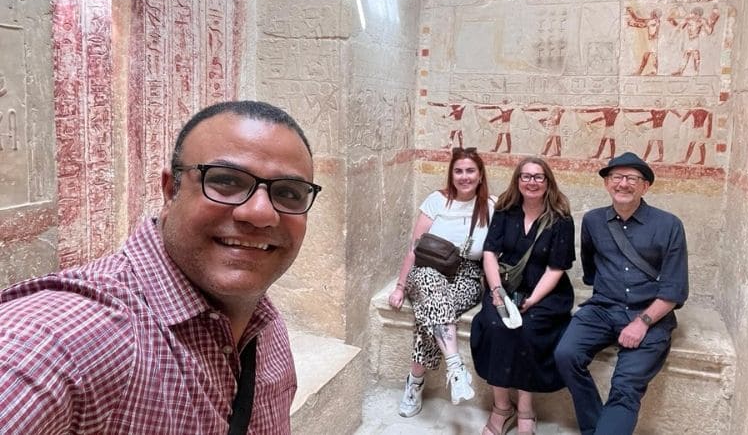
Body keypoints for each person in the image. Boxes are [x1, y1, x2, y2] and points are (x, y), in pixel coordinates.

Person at [0, 101, 322, 434]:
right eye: (226, 181)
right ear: (171, 191)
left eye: (288, 192)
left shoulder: (267, 327)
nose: (260, 213)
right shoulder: (82, 336)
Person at [554, 152, 689, 435]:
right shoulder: (592, 221)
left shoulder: (669, 225)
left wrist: (643, 322)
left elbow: (674, 288)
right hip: (603, 308)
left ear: (645, 186)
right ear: (607, 184)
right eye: (616, 177)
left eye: (632, 178)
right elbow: (591, 269)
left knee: (625, 385)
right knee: (566, 354)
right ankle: (596, 429)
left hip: (649, 314)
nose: (623, 184)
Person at [387, 147, 495, 417]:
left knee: (431, 311)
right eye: (458, 171)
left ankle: (415, 381)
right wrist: (400, 286)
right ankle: (455, 368)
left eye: (470, 171)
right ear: (451, 175)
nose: (464, 176)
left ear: (480, 175)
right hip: (427, 269)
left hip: (467, 275)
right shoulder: (436, 200)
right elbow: (415, 247)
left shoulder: (491, 206)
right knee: (430, 287)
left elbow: (495, 252)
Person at [471, 157, 575, 435]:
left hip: (545, 293)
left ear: (548, 182)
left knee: (527, 331)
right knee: (495, 326)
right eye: (526, 176)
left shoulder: (561, 219)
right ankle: (502, 408)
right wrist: (495, 292)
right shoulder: (506, 211)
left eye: (538, 177)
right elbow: (490, 252)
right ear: (517, 181)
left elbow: (556, 268)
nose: (532, 182)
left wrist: (532, 300)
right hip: (504, 288)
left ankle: (526, 407)